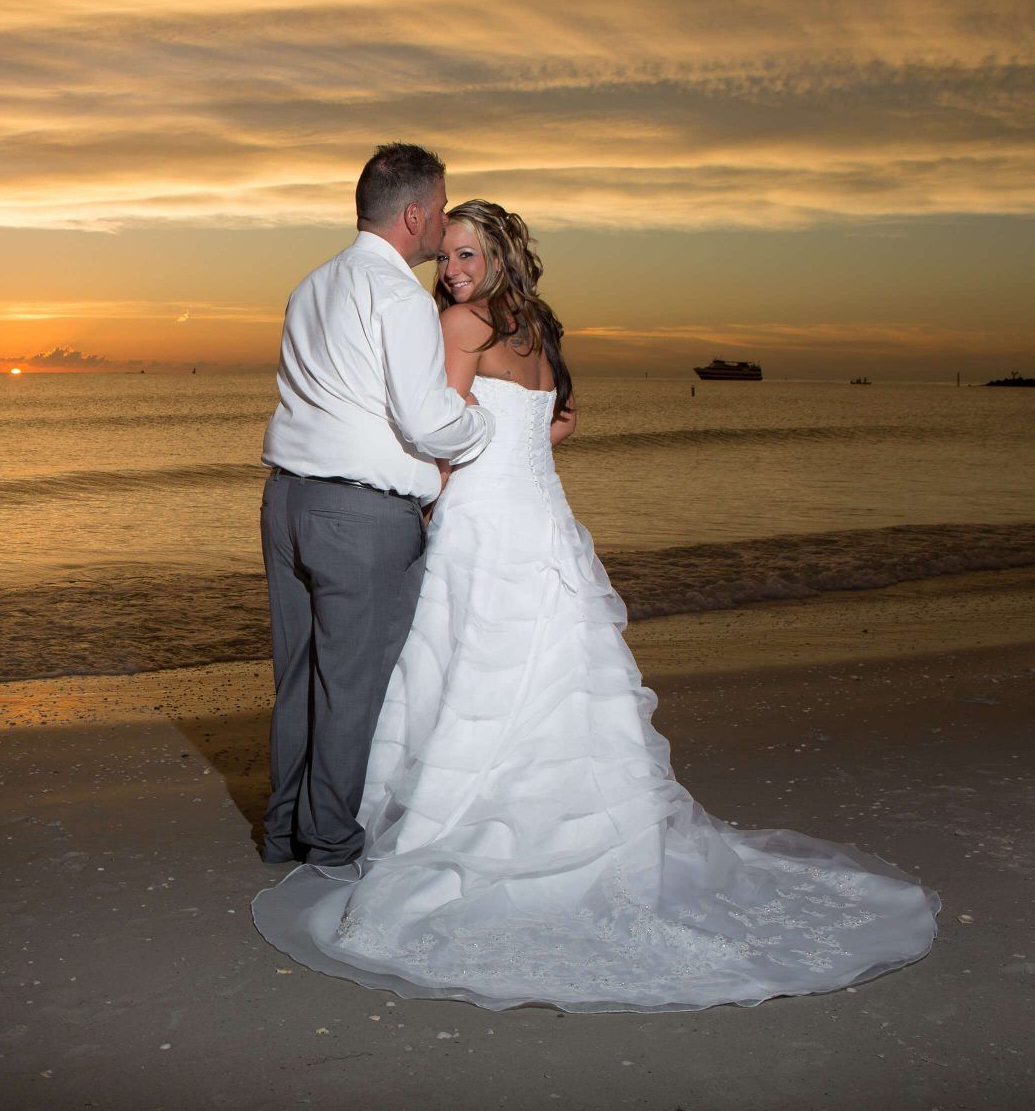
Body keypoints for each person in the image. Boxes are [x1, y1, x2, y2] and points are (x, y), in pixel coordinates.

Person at [252, 200, 939, 1012]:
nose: (456, 270)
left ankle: (431, 825)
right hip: (541, 519)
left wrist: (421, 504)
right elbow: (551, 424)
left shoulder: (462, 324)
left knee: (467, 669)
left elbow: (438, 433)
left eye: (470, 256)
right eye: (451, 257)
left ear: (500, 256)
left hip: (483, 519)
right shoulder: (536, 325)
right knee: (546, 670)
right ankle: (583, 833)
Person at [258, 144, 495, 874]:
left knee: (299, 676)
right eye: (442, 205)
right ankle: (329, 841)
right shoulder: (396, 295)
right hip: (359, 520)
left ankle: (281, 832)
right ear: (415, 215)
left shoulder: (313, 284)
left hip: (286, 503)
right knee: (350, 686)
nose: (445, 221)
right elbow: (428, 423)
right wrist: (482, 423)